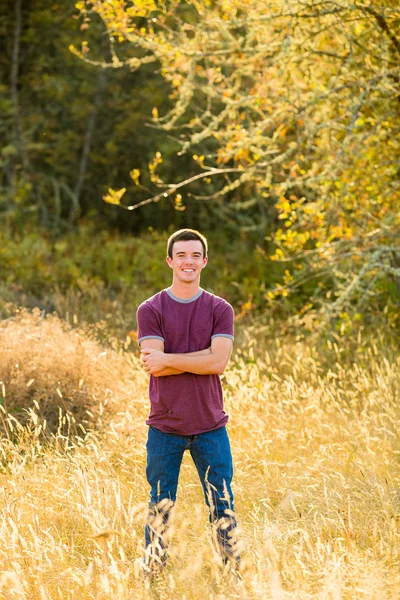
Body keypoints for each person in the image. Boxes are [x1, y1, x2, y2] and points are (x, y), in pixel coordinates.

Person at [136, 228, 240, 573]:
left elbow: (219, 363)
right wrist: (197, 358)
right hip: (164, 427)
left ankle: (231, 577)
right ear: (170, 261)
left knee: (222, 507)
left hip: (210, 426)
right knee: (160, 508)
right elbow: (155, 366)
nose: (188, 261)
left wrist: (170, 359)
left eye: (195, 255)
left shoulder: (219, 308)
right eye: (181, 255)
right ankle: (154, 576)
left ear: (205, 261)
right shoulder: (151, 309)